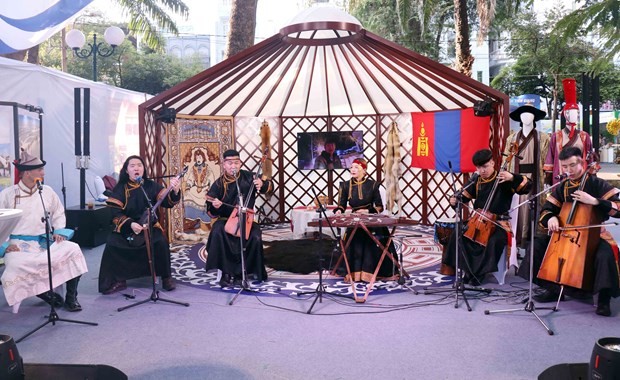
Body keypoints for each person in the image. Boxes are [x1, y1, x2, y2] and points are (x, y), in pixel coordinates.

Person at [522, 146, 619, 317]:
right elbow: (546, 209)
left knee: (605, 255)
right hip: (565, 233)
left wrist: (595, 201)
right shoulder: (563, 186)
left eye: (572, 165)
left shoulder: (597, 183)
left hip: (594, 234)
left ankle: (604, 299)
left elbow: (618, 208)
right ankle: (551, 288)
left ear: (582, 162)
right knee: (537, 245)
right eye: (564, 167)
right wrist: (551, 218)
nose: (569, 171)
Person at [0, 150, 87, 312]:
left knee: (73, 250)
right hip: (18, 244)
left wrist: (59, 231)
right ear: (27, 173)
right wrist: (5, 246)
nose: (43, 172)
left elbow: (58, 212)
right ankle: (45, 293)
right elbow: (1, 223)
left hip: (44, 241)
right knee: (16, 265)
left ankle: (71, 297)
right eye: (39, 170)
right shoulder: (8, 195)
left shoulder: (46, 191)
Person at [442, 149, 532, 285]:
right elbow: (462, 197)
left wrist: (513, 177)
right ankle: (468, 270)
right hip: (477, 221)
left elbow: (527, 186)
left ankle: (479, 273)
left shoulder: (504, 178)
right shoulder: (476, 180)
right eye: (478, 167)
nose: (482, 170)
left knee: (493, 241)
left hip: (499, 223)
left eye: (485, 166)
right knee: (458, 233)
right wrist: (454, 200)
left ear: (492, 163)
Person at [98, 155, 181, 294]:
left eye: (139, 165)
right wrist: (130, 224)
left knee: (160, 241)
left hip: (149, 226)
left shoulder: (150, 185)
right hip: (127, 227)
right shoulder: (120, 189)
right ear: (126, 170)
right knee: (112, 244)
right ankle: (117, 279)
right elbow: (115, 213)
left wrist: (175, 190)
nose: (136, 168)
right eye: (132, 165)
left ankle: (166, 277)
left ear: (143, 169)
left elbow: (167, 202)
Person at [204, 149, 272, 287]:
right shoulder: (218, 184)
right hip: (225, 220)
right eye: (229, 163)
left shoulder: (250, 177)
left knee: (255, 235)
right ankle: (226, 272)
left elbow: (269, 186)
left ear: (240, 164)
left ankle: (245, 272)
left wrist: (262, 184)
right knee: (218, 232)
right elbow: (209, 208)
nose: (233, 166)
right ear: (224, 165)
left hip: (246, 219)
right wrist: (215, 206)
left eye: (236, 163)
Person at [333, 158, 398, 282]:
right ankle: (354, 273)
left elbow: (379, 207)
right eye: (351, 167)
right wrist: (339, 210)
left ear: (364, 170)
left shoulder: (373, 185)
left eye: (356, 167)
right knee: (354, 241)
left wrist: (367, 211)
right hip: (355, 220)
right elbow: (341, 204)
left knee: (372, 242)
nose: (353, 170)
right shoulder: (345, 185)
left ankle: (374, 273)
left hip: (370, 220)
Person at [506, 105, 550, 248]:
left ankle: (533, 242)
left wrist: (547, 178)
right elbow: (506, 160)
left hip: (535, 178)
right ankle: (517, 242)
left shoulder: (542, 137)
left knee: (533, 207)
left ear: (535, 117)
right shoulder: (512, 138)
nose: (526, 116)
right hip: (516, 179)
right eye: (523, 114)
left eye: (530, 114)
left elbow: (547, 160)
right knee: (517, 208)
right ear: (519, 117)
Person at [544, 78, 594, 186]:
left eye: (576, 113)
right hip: (561, 177)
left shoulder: (584, 136)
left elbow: (590, 160)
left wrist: (592, 177)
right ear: (565, 114)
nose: (574, 115)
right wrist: (548, 179)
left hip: (580, 177)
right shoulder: (556, 136)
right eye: (571, 112)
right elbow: (550, 158)